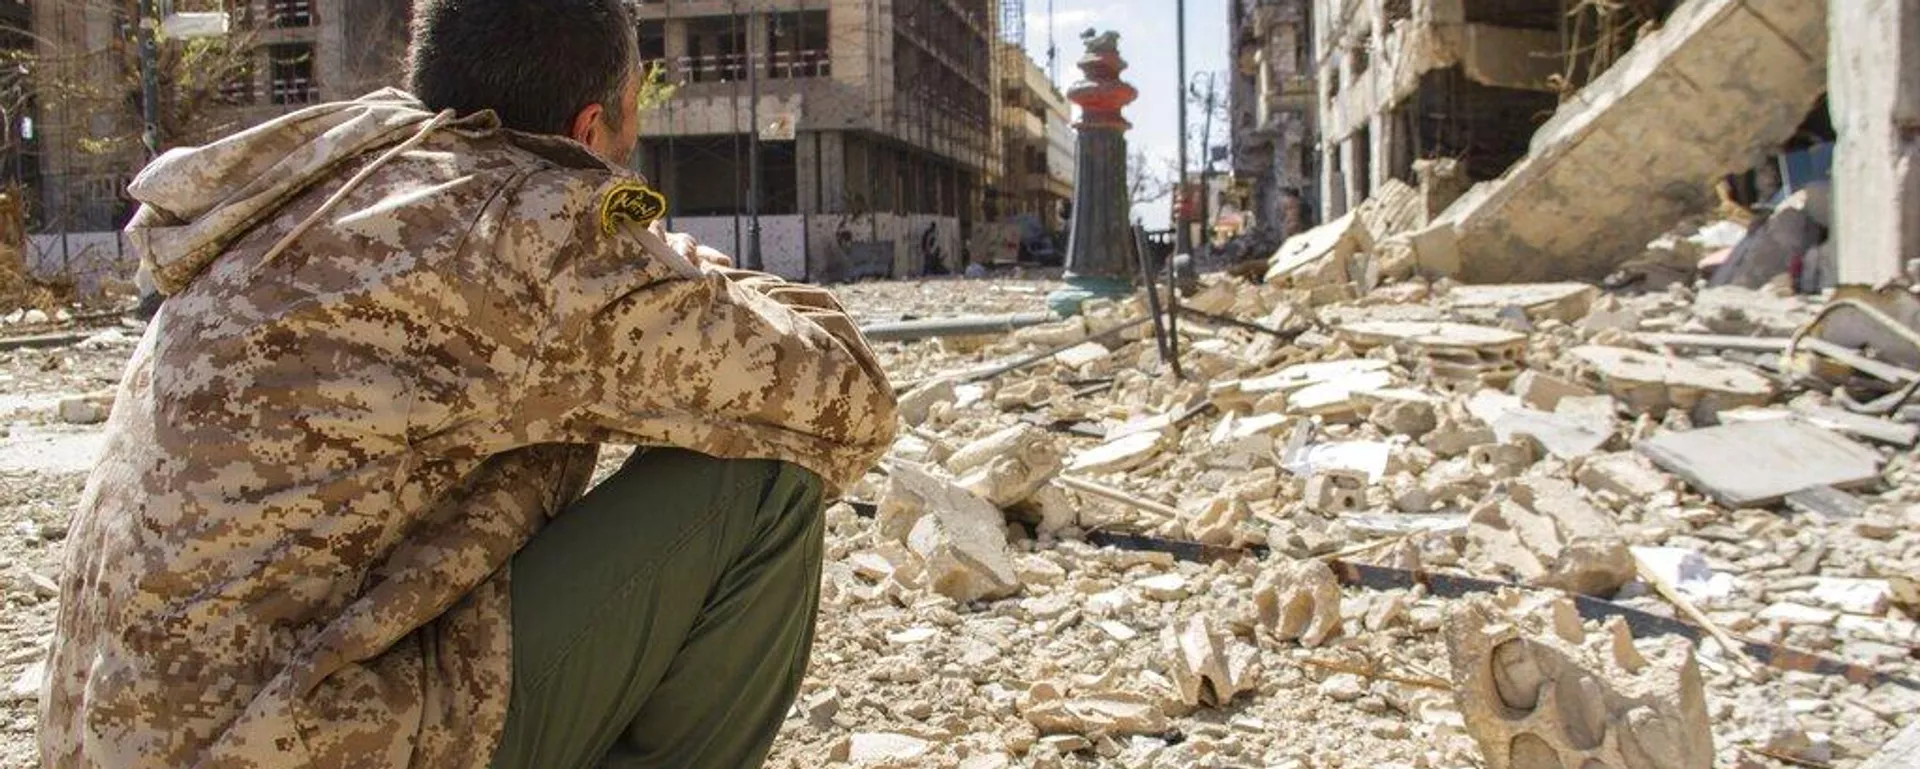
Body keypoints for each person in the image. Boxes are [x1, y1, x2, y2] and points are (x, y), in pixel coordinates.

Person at [38, 1, 897, 768]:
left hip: (116, 732)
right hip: (287, 739)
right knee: (761, 481)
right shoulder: (521, 232)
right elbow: (850, 398)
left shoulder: (326, 170)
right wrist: (651, 253)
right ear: (590, 127)